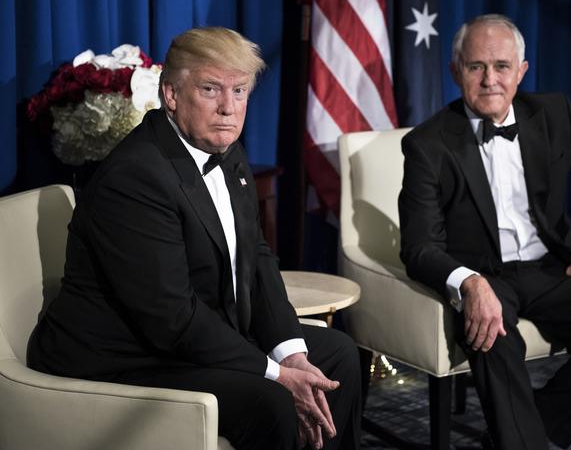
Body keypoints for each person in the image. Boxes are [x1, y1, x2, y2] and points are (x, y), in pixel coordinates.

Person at [27, 27, 361, 450]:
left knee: (337, 356)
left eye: (239, 91)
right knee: (271, 398)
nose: (228, 108)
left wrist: (291, 353)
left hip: (187, 336)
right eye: (210, 89)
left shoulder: (226, 150)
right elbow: (171, 317)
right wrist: (276, 373)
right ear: (171, 94)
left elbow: (256, 259)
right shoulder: (135, 177)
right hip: (125, 356)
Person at [399, 14, 571, 449]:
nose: (490, 79)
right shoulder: (428, 144)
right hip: (484, 276)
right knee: (490, 338)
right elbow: (419, 246)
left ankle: (518, 435)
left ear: (522, 71)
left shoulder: (554, 115)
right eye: (476, 66)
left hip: (551, 269)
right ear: (456, 71)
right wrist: (470, 283)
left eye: (501, 66)